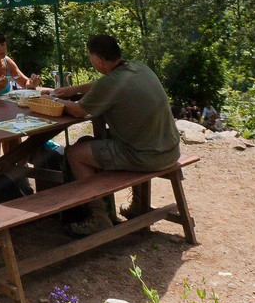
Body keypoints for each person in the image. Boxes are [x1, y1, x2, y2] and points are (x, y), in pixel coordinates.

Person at [52, 34, 181, 237]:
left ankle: (99, 217)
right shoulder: (139, 68)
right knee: (101, 141)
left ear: (98, 61)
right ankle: (138, 205)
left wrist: (52, 101)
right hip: (170, 151)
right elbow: (103, 84)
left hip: (145, 157)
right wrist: (74, 89)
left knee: (75, 153)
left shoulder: (110, 83)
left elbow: (78, 110)